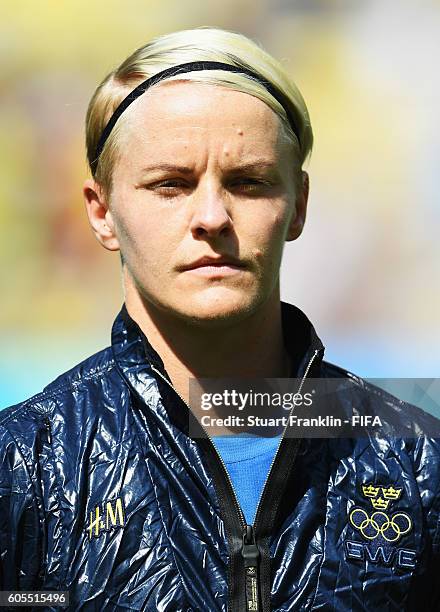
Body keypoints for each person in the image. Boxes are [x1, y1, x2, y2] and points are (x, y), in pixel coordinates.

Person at [0, 27, 439, 612]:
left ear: (299, 205)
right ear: (101, 212)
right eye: (170, 185)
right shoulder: (25, 465)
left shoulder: (416, 462)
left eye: (248, 183)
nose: (211, 216)